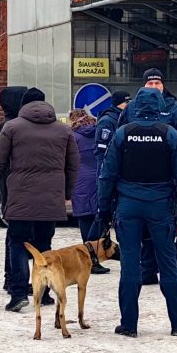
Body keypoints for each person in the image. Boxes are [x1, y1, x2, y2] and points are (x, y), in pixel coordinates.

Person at [98, 88, 177, 337]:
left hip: (128, 206)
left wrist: (103, 208)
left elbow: (107, 175)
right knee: (168, 264)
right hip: (161, 206)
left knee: (130, 265)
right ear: (160, 106)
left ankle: (129, 324)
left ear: (135, 107)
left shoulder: (122, 133)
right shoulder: (169, 134)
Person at [0, 87, 79, 313]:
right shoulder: (64, 130)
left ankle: (18, 294)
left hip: (21, 198)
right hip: (50, 200)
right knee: (44, 244)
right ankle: (43, 293)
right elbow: (73, 165)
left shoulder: (12, 128)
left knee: (18, 243)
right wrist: (67, 192)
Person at [117, 68, 177, 285]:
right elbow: (118, 142)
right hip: (134, 180)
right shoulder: (131, 109)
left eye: (157, 83)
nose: (154, 87)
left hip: (164, 181)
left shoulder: (175, 108)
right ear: (143, 86)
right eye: (150, 84)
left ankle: (176, 273)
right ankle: (147, 271)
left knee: (168, 231)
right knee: (143, 231)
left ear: (163, 85)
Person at [69, 108, 110, 275]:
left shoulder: (73, 137)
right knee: (99, 218)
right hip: (100, 178)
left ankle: (90, 258)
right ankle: (98, 254)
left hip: (79, 181)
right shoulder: (99, 133)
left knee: (85, 220)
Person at [0, 86, 28, 293]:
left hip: (11, 186)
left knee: (15, 236)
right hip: (11, 186)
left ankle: (13, 277)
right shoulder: (8, 127)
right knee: (14, 237)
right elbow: (0, 162)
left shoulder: (11, 124)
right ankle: (12, 278)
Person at [94, 90, 130, 171]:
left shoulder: (122, 117)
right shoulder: (107, 120)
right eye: (126, 102)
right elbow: (102, 146)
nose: (128, 105)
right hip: (108, 164)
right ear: (118, 103)